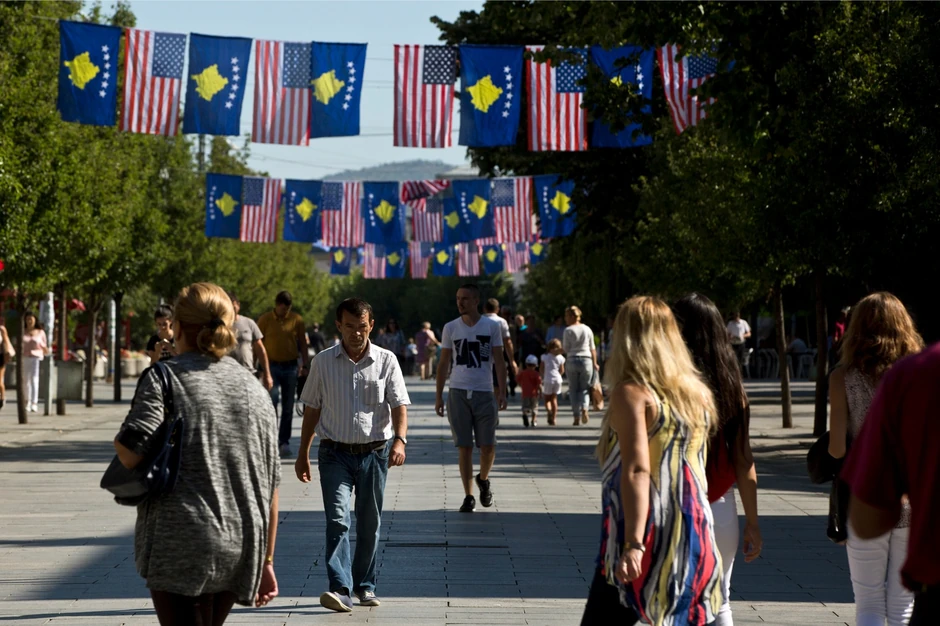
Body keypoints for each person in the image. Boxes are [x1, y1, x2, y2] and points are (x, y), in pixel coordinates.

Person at [112, 282, 280, 625]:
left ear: (177, 326)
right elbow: (271, 485)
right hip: (241, 542)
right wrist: (267, 561)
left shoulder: (164, 378)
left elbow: (130, 451)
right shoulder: (255, 388)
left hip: (181, 540)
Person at [582, 296, 722, 626]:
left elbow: (637, 469)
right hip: (692, 523)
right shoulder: (698, 393)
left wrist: (633, 544)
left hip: (643, 526)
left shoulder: (632, 393)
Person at [295, 298, 410, 613]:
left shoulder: (386, 360)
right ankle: (340, 588)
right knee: (337, 519)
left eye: (362, 326)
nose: (356, 333)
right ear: (338, 326)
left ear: (371, 325)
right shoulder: (323, 362)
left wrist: (400, 441)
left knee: (369, 523)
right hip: (334, 453)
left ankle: (365, 585)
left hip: (374, 454)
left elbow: (399, 404)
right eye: (349, 327)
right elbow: (312, 409)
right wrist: (303, 452)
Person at [829, 293, 923, 626]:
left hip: (866, 497)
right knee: (903, 603)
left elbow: (837, 449)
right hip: (912, 497)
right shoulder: (918, 375)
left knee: (867, 600)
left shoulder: (842, 378)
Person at [673, 293, 763, 626]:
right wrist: (752, 522)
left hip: (676, 504)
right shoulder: (732, 386)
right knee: (720, 598)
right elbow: (744, 461)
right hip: (721, 506)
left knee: (676, 600)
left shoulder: (666, 386)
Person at [843, 338, 940, 626]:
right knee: (901, 607)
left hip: (932, 570)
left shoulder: (916, 374)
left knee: (869, 602)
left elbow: (867, 520)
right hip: (911, 519)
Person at [436, 284, 508, 513]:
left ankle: (483, 479)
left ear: (476, 301)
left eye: (465, 298)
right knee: (464, 446)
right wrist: (439, 395)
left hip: (484, 392)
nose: (460, 302)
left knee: (488, 445)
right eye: (458, 298)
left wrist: (502, 390)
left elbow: (499, 361)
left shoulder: (492, 326)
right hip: (458, 392)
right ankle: (468, 496)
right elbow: (444, 363)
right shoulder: (450, 327)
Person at [257, 291, 310, 458]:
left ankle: (284, 441)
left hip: (291, 367)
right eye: (283, 308)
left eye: (288, 309)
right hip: (271, 366)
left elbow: (303, 343)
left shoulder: (296, 319)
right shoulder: (265, 319)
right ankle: (271, 440)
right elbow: (258, 343)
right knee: (271, 403)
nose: (285, 311)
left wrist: (305, 365)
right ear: (277, 305)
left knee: (288, 407)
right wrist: (258, 367)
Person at [228, 293, 273, 390]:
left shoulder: (249, 323)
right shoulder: (221, 325)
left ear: (238, 305)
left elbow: (260, 350)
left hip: (248, 373)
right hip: (227, 375)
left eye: (233, 306)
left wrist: (267, 374)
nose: (231, 309)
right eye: (228, 306)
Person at [563, 306, 598, 426]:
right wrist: (595, 363)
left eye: (566, 316)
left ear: (572, 316)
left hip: (572, 359)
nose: (565, 319)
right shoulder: (587, 329)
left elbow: (566, 348)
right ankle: (585, 408)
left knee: (573, 389)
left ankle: (576, 416)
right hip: (586, 360)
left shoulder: (568, 330)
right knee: (584, 389)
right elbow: (592, 348)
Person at [483, 298, 517, 393]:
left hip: (481, 360)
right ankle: (498, 400)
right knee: (497, 386)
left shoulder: (477, 321)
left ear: (484, 309)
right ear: (497, 309)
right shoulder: (501, 322)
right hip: (497, 359)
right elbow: (507, 342)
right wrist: (512, 360)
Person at [21, 311, 49, 413]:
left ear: (35, 320)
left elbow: (45, 347)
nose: (29, 321)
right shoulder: (23, 331)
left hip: (36, 358)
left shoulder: (40, 332)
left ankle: (34, 402)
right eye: (27, 319)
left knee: (34, 379)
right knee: (25, 380)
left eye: (31, 319)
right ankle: (27, 401)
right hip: (25, 357)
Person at [540, 339, 566, 427]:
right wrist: (558, 375)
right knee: (554, 399)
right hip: (557, 379)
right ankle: (554, 418)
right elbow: (562, 370)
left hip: (548, 379)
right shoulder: (561, 358)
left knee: (547, 399)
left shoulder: (544, 357)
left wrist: (543, 376)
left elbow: (541, 369)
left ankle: (549, 411)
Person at [516, 354, 542, 428]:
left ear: (526, 364)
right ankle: (533, 420)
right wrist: (540, 392)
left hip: (525, 393)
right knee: (534, 407)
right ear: (535, 365)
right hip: (534, 394)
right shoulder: (536, 374)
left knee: (525, 407)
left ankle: (525, 415)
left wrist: (521, 385)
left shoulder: (523, 373)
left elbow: (517, 379)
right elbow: (539, 384)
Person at [0, 318, 13, 411]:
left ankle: (2, 398)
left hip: (0, 357)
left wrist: (8, 354)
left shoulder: (1, 329)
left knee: (0, 381)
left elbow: (6, 341)